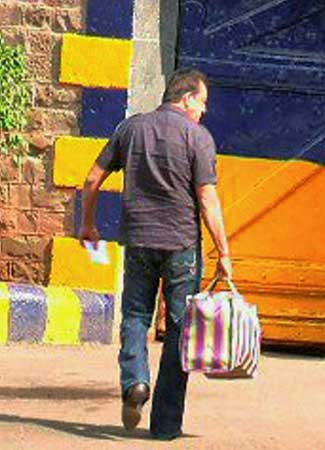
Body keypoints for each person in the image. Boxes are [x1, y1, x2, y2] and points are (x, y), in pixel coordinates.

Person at [79, 68, 232, 439]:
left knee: (135, 315)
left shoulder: (131, 128)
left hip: (139, 241)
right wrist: (224, 252)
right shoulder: (198, 138)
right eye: (202, 102)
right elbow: (207, 200)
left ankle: (135, 381)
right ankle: (165, 426)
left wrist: (88, 224)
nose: (204, 110)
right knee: (180, 329)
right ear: (186, 97)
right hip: (182, 246)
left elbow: (92, 179)